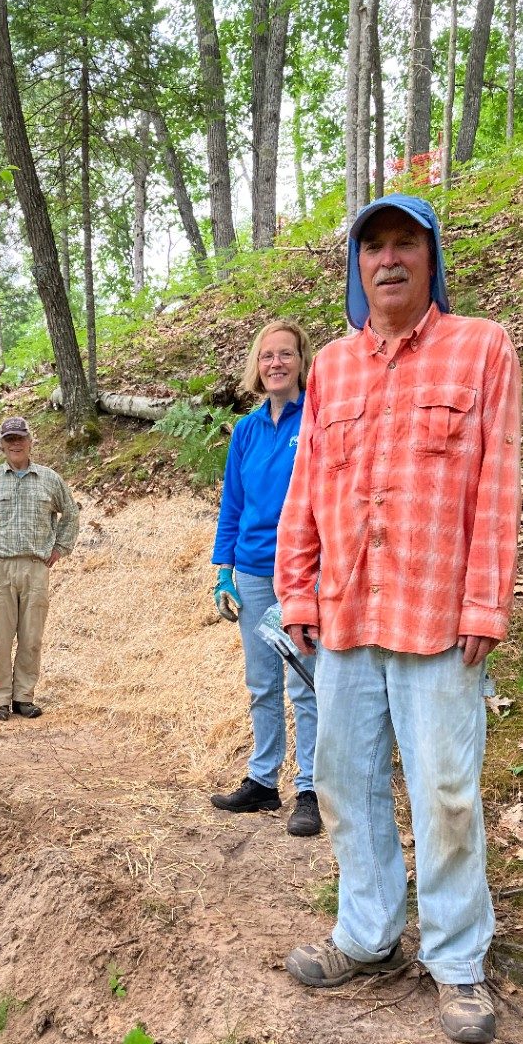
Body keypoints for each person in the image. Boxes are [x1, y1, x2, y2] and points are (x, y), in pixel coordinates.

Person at [274, 194, 522, 1044]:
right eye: (372, 245)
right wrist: (296, 588)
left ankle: (458, 962)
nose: (388, 258)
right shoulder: (333, 368)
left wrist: (488, 598)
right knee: (344, 783)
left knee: (446, 792)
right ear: (358, 265)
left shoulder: (481, 348)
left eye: (404, 243)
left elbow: (498, 482)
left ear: (430, 257)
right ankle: (368, 934)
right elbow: (308, 484)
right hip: (345, 612)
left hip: (438, 613)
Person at [210, 320, 321, 837]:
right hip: (253, 571)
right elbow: (232, 502)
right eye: (266, 356)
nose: (275, 363)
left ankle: (312, 788)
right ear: (257, 366)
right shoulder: (247, 431)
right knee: (261, 683)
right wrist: (223, 571)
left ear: (301, 360)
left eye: (285, 354)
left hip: (303, 570)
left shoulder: (317, 419)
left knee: (306, 682)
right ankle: (262, 781)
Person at [0, 416, 79, 721]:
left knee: (31, 636)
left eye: (20, 438)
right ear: (0, 444)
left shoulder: (50, 479)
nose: (15, 443)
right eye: (9, 439)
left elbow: (71, 514)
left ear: (30, 441)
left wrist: (60, 548)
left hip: (36, 567)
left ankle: (23, 696)